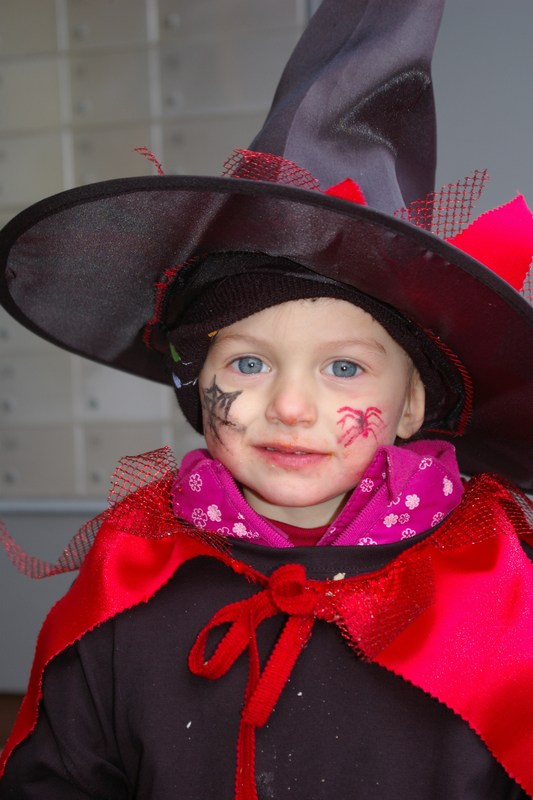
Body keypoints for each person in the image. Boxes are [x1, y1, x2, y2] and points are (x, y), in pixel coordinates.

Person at [1, 1, 533, 798]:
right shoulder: (131, 572)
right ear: (195, 378)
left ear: (411, 404)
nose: (289, 406)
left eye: (344, 368)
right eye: (247, 363)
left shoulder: (494, 589)